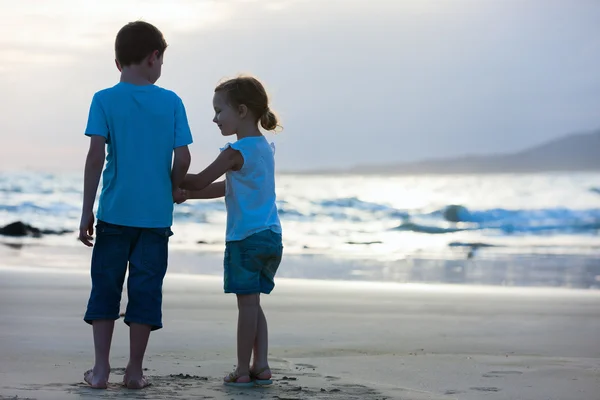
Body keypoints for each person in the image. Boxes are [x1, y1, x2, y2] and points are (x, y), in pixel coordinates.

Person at [78, 20, 192, 389]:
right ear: (154, 57)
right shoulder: (172, 101)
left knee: (106, 289)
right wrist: (173, 188)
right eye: (161, 61)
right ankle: (134, 371)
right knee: (145, 291)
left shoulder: (103, 99)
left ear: (117, 63)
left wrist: (86, 212)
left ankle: (99, 371)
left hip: (113, 214)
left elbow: (95, 158)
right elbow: (184, 157)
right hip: (155, 218)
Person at [181, 76, 283, 387]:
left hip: (246, 238)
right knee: (254, 302)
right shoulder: (263, 148)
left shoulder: (234, 151)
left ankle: (241, 369)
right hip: (270, 236)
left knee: (247, 304)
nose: (214, 118)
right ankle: (261, 365)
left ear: (241, 110)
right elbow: (229, 188)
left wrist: (167, 176)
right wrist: (187, 195)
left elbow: (198, 179)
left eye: (218, 111)